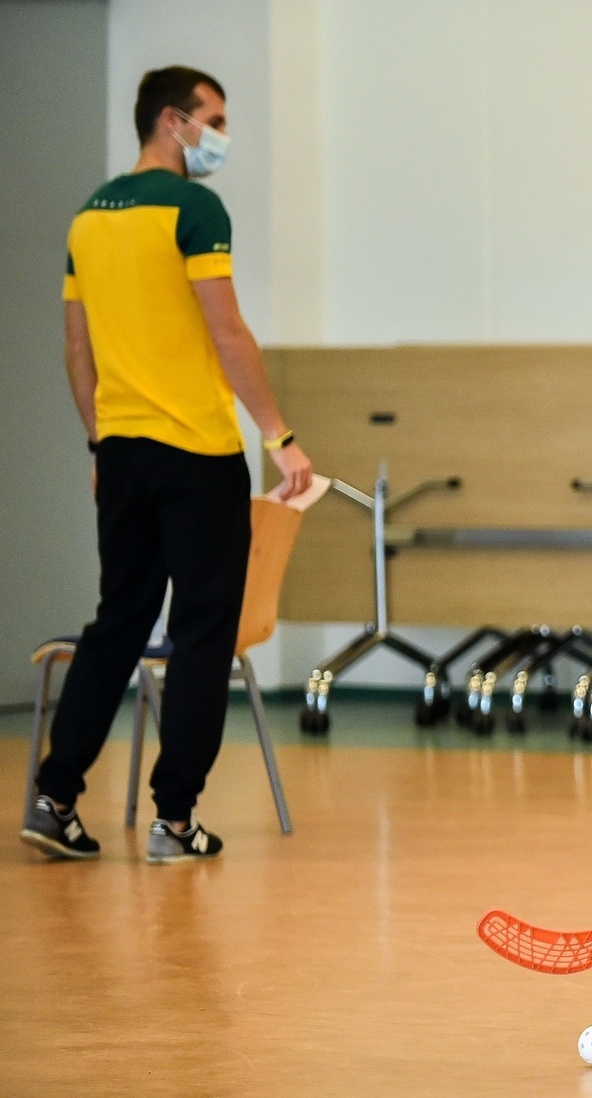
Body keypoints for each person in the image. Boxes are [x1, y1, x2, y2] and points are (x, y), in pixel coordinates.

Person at [20, 66, 313, 865]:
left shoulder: (90, 217)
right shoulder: (194, 208)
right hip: (198, 455)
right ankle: (175, 822)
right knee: (201, 634)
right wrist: (279, 436)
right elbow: (228, 334)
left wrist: (98, 441)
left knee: (117, 621)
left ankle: (53, 798)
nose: (222, 135)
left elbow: (75, 348)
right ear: (173, 122)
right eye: (213, 119)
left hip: (121, 453)